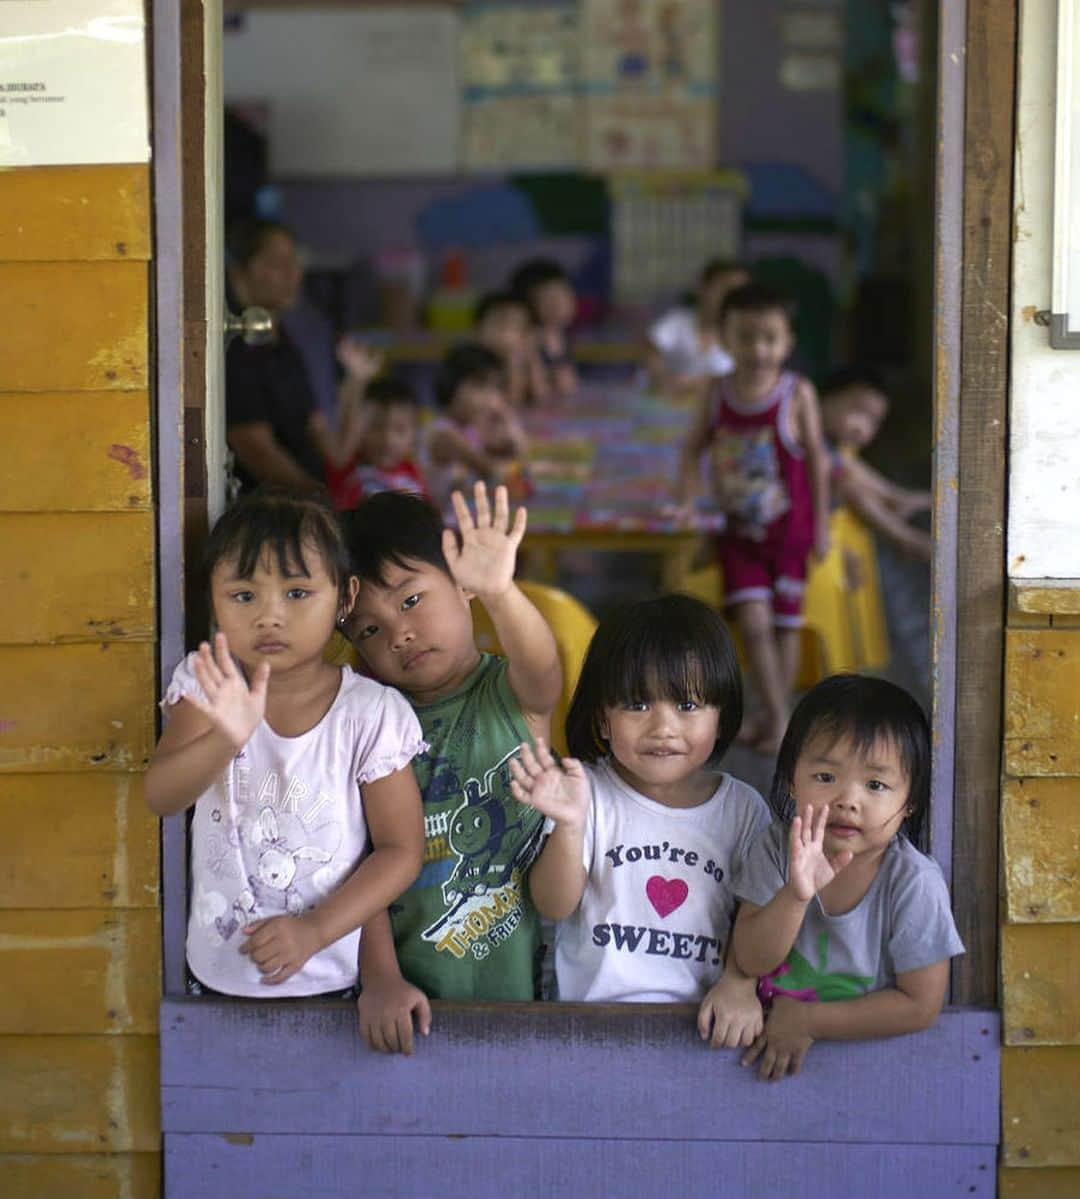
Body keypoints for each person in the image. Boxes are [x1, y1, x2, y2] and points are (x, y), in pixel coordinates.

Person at [145, 489, 426, 997]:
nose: (268, 616)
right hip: (214, 980)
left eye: (297, 593)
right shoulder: (207, 683)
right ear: (212, 598)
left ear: (344, 597)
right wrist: (227, 736)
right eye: (243, 595)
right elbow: (161, 796)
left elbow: (401, 850)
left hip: (333, 980)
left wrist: (314, 931)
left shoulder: (370, 714)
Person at [341, 484, 562, 1052]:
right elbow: (354, 861)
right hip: (409, 1000)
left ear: (461, 584)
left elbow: (543, 672)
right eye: (369, 630)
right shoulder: (368, 724)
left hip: (529, 992)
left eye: (411, 600)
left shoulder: (508, 695)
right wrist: (381, 978)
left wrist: (501, 591)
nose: (399, 633)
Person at [507, 594, 771, 1047]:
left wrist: (741, 983)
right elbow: (553, 905)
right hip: (588, 1030)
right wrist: (569, 826)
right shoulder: (584, 791)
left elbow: (759, 918)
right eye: (637, 705)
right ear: (603, 718)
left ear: (721, 716)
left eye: (687, 706)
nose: (663, 728)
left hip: (706, 1033)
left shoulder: (743, 810)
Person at [731, 674, 964, 1081]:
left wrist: (808, 1021)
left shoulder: (913, 882)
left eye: (876, 784)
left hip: (870, 1074)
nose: (848, 800)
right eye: (825, 777)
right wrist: (796, 895)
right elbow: (750, 959)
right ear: (791, 778)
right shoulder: (774, 849)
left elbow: (920, 1005)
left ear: (909, 802)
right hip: (752, 1065)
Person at [677, 282, 831, 756]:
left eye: (770, 338)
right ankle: (782, 719)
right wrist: (690, 503)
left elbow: (819, 463)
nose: (758, 350)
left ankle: (774, 714)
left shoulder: (796, 393)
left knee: (785, 626)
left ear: (787, 343)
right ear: (724, 340)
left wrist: (821, 526)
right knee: (755, 622)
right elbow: (691, 450)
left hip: (790, 533)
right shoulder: (716, 393)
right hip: (737, 534)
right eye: (745, 337)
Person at [224, 219, 369, 494]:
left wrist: (356, 382)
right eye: (277, 263)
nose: (293, 273)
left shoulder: (287, 345)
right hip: (271, 514)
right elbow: (256, 451)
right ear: (238, 273)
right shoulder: (236, 348)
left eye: (295, 261)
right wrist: (317, 501)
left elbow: (336, 452)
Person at [819, 367, 932, 562]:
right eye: (858, 411)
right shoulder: (801, 431)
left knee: (845, 465)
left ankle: (897, 500)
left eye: (874, 421)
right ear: (827, 397)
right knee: (846, 478)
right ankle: (904, 533)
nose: (862, 428)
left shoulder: (838, 447)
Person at [427, 342, 528, 510]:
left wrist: (508, 421)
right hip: (441, 525)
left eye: (493, 389)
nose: (488, 399)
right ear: (451, 384)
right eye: (480, 387)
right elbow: (491, 471)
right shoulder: (443, 434)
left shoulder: (469, 428)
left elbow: (515, 450)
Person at [326, 372, 429, 511]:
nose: (387, 439)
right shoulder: (346, 468)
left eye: (400, 429)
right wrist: (355, 381)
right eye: (376, 426)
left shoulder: (413, 472)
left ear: (414, 434)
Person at [646, 258, 749, 392]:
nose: (730, 298)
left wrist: (695, 383)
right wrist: (664, 379)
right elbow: (651, 353)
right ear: (703, 287)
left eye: (738, 293)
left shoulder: (744, 334)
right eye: (724, 289)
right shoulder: (676, 321)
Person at [509, 258, 579, 401]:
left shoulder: (557, 335)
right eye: (551, 299)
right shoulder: (528, 340)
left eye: (565, 294)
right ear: (528, 304)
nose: (563, 304)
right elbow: (538, 393)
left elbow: (569, 385)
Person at [473, 290, 548, 408]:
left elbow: (541, 396)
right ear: (478, 331)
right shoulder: (474, 364)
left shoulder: (526, 361)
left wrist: (532, 357)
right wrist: (513, 365)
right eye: (499, 324)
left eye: (517, 327)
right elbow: (510, 400)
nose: (506, 334)